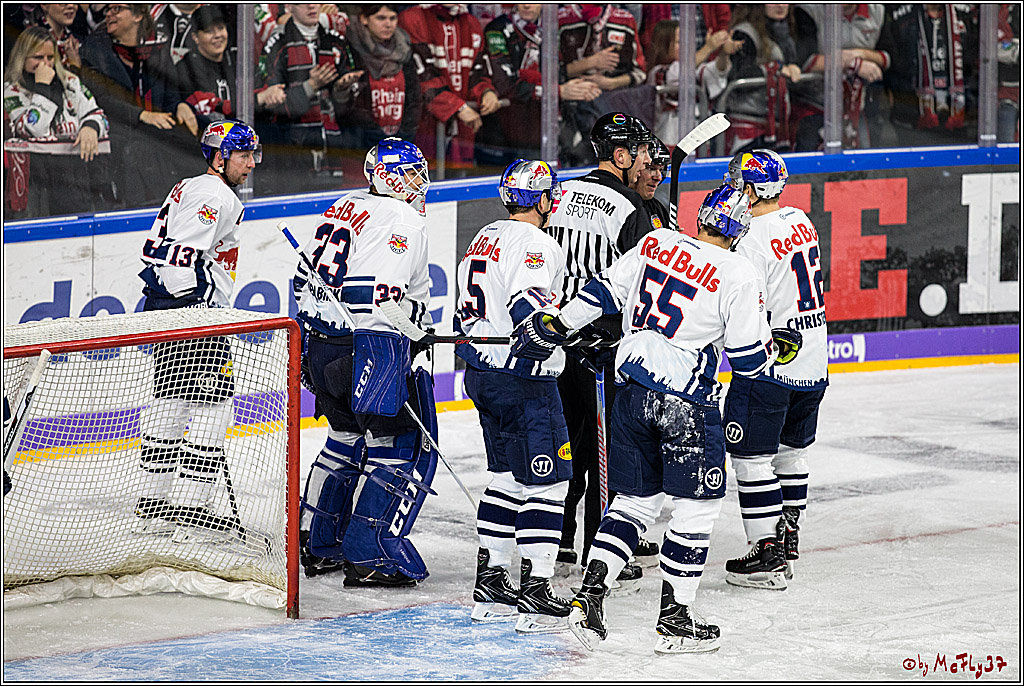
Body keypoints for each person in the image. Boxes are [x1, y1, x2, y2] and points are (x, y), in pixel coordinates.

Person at [510, 184, 795, 654]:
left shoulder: (655, 243)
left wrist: (556, 327)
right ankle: (675, 619)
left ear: (701, 217)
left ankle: (588, 598)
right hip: (684, 402)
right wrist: (774, 347)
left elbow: (599, 292)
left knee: (635, 503)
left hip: (630, 393)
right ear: (740, 230)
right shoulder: (740, 272)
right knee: (697, 507)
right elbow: (746, 361)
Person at [293, 137, 439, 588]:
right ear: (390, 177)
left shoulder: (343, 205)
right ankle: (368, 555)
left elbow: (302, 281)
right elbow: (379, 298)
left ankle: (316, 544)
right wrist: (414, 335)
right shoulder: (403, 220)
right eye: (412, 172)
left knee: (342, 440)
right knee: (398, 449)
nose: (420, 181)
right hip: (369, 347)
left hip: (322, 344)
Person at [456, 159, 574, 633]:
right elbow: (528, 304)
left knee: (504, 476)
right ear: (543, 199)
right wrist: (556, 332)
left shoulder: (483, 235)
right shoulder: (536, 242)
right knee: (549, 483)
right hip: (524, 379)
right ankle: (536, 586)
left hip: (483, 372)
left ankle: (491, 578)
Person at [543, 112, 658, 585]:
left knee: (569, 441)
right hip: (602, 345)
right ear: (621, 155)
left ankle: (560, 539)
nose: (645, 161)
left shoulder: (563, 193)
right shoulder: (631, 208)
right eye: (639, 152)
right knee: (608, 448)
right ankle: (600, 548)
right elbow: (641, 282)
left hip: (556, 338)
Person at [133, 120, 260, 541]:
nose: (251, 163)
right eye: (243, 155)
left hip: (176, 312)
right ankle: (193, 514)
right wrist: (196, 312)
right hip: (194, 316)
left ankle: (154, 505)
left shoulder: (192, 186)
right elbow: (177, 262)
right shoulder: (214, 196)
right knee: (211, 410)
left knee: (170, 404)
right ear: (220, 156)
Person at [720, 149, 827, 590]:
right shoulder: (800, 219)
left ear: (749, 188)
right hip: (815, 358)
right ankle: (787, 532)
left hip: (771, 364)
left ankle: (766, 553)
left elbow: (747, 305)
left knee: (750, 457)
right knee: (791, 450)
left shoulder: (749, 240)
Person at [79, 3, 200, 209]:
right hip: (118, 130)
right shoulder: (95, 50)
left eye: (117, 9)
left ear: (138, 15)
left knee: (194, 141)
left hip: (155, 128)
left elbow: (169, 92)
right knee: (138, 150)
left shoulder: (157, 48)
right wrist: (142, 115)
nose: (109, 14)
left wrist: (180, 106)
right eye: (107, 10)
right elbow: (102, 99)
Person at [474, 3, 601, 165]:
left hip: (548, 125)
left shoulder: (552, 27)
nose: (527, 5)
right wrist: (557, 91)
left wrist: (577, 88)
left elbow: (560, 72)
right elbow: (504, 84)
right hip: (511, 129)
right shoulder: (497, 29)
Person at [3, 26, 109, 217]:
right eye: (38, 58)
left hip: (76, 180)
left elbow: (100, 116)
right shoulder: (11, 92)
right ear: (23, 57)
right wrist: (42, 86)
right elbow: (31, 130)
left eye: (50, 58)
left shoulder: (70, 82)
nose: (46, 64)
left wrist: (90, 127)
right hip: (36, 186)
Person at [257, 2, 360, 194]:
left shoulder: (336, 41)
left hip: (331, 145)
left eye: (316, 2)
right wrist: (310, 86)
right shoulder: (277, 43)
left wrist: (341, 89)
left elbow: (348, 106)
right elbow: (269, 103)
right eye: (303, 3)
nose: (312, 6)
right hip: (290, 149)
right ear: (289, 7)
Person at [399, 3, 499, 170]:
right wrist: (456, 107)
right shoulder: (412, 19)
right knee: (419, 185)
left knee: (460, 186)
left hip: (463, 132)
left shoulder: (471, 23)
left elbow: (479, 69)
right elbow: (420, 77)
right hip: (422, 127)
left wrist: (486, 91)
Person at [875, 4, 979, 148]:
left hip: (957, 118)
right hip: (911, 116)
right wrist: (892, 93)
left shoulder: (965, 14)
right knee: (914, 166)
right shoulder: (900, 15)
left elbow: (974, 62)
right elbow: (892, 60)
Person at [176, 5, 286, 135]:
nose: (217, 35)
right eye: (209, 31)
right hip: (207, 142)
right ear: (195, 37)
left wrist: (270, 98)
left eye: (221, 28)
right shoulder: (188, 65)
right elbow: (206, 106)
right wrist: (259, 99)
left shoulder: (238, 59)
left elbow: (260, 88)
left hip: (245, 137)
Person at [338, 3, 422, 151]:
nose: (388, 24)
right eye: (381, 18)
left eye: (393, 18)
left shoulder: (405, 50)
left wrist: (402, 139)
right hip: (359, 147)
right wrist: (379, 139)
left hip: (399, 146)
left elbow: (414, 99)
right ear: (364, 19)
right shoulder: (350, 49)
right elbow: (352, 106)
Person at [629, 137, 671, 230]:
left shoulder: (657, 208)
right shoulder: (617, 206)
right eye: (651, 169)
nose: (658, 177)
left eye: (660, 170)